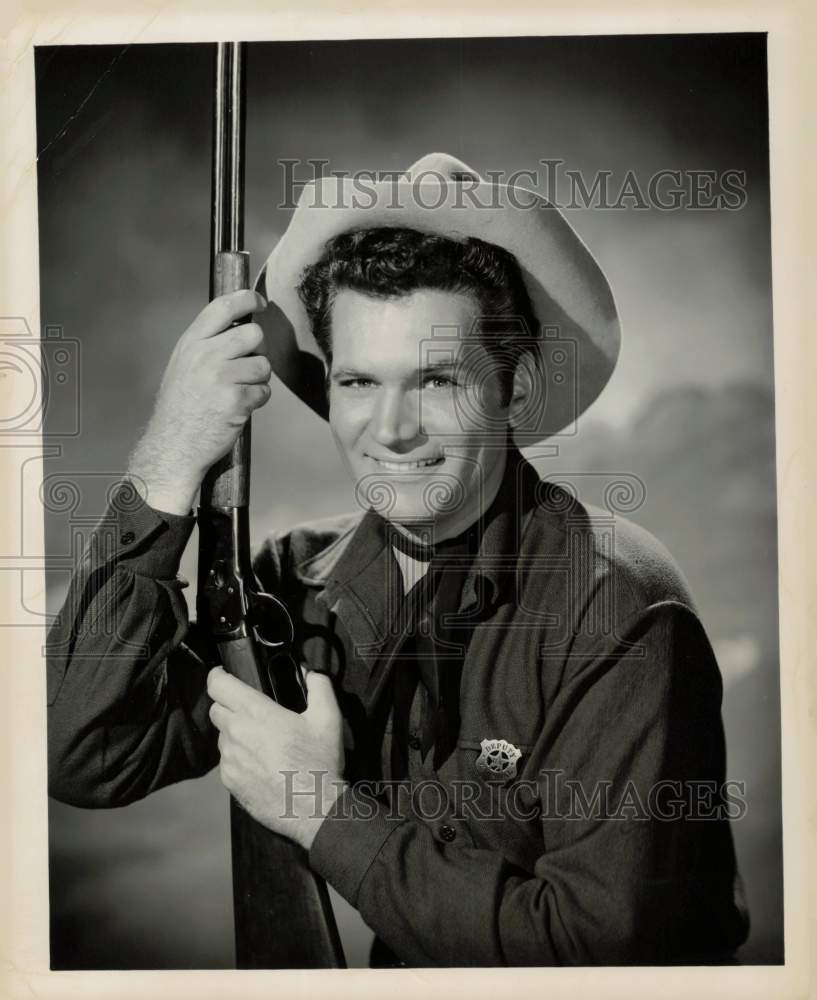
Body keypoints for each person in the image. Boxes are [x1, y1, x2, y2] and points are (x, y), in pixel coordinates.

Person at [47, 153, 749, 967]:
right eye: (357, 382)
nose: (390, 428)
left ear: (513, 389)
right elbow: (87, 755)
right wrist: (167, 464)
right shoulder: (293, 585)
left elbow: (599, 958)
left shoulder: (618, 609)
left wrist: (320, 812)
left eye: (435, 380)